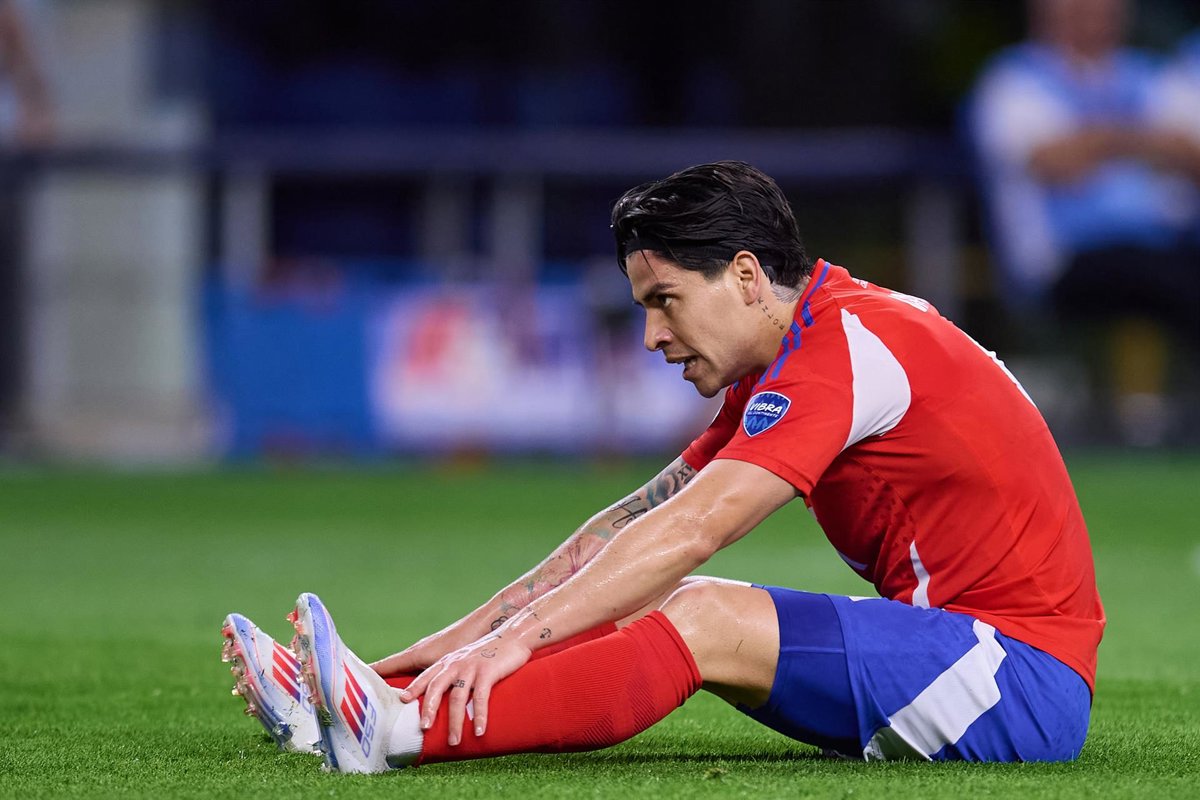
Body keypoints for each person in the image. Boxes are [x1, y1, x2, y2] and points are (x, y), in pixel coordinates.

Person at [221, 161, 1104, 772]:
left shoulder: (842, 349)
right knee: (643, 593)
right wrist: (425, 655)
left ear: (746, 276)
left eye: (665, 300)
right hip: (959, 653)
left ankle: (396, 733)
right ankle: (370, 702)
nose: (652, 335)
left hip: (1014, 679)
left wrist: (513, 641)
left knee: (700, 612)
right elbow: (628, 529)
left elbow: (693, 531)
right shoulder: (806, 345)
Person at [968, 0, 1200, 446]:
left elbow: (1191, 155)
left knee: (1171, 270)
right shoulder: (1014, 79)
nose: (1094, 14)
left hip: (1164, 245)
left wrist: (1098, 141)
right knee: (1170, 279)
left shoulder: (1151, 74)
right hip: (1064, 261)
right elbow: (1057, 163)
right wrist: (1143, 141)